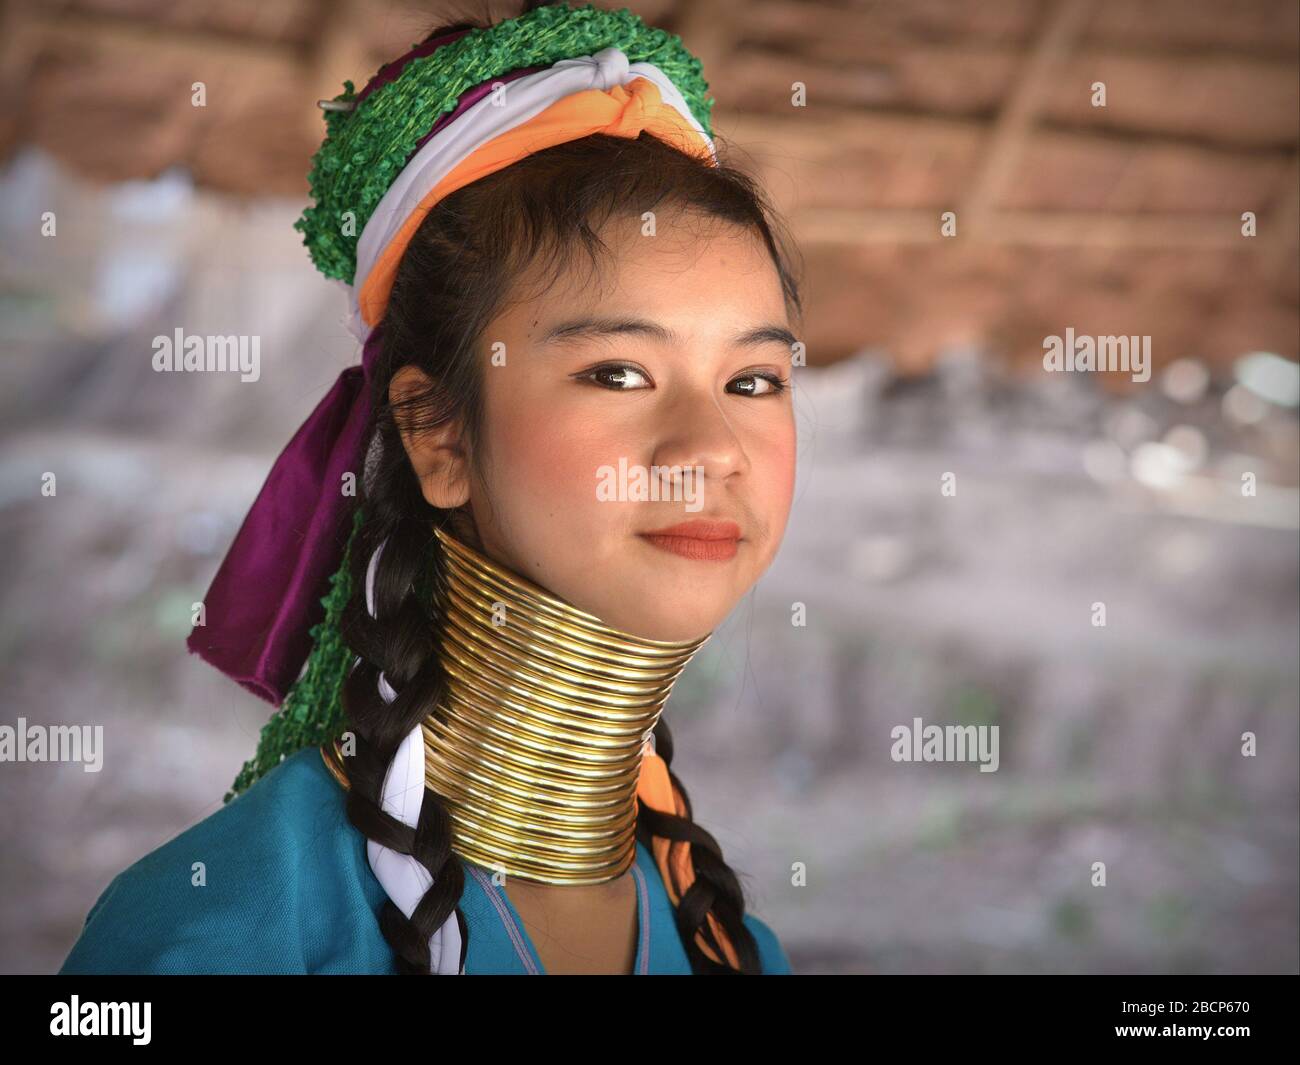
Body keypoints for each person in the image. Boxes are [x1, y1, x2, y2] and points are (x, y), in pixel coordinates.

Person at [59, 0, 803, 975]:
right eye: (617, 373)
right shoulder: (220, 929)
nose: (712, 449)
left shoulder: (734, 948)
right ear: (437, 432)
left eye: (753, 381)